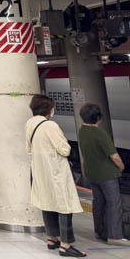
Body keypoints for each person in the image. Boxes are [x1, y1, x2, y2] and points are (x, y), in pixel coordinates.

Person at [26, 94, 86, 257]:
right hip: (56, 171)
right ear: (48, 108)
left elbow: (29, 148)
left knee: (47, 203)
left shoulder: (30, 123)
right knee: (64, 206)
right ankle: (65, 245)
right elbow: (64, 149)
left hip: (40, 170)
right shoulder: (50, 125)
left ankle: (52, 239)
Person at [77, 103, 129, 246]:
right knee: (114, 204)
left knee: (98, 202)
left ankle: (99, 232)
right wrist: (121, 166)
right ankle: (115, 236)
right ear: (98, 118)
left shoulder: (82, 130)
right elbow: (114, 156)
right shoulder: (100, 133)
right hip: (107, 174)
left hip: (92, 173)